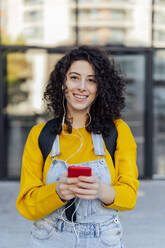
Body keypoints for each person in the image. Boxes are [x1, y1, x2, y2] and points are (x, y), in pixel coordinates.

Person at [16, 45, 139, 248]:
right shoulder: (41, 135)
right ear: (62, 83)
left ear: (100, 87)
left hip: (103, 240)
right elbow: (27, 206)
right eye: (74, 77)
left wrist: (101, 190)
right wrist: (57, 192)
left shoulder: (118, 131)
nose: (82, 86)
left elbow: (129, 196)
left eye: (91, 80)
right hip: (49, 239)